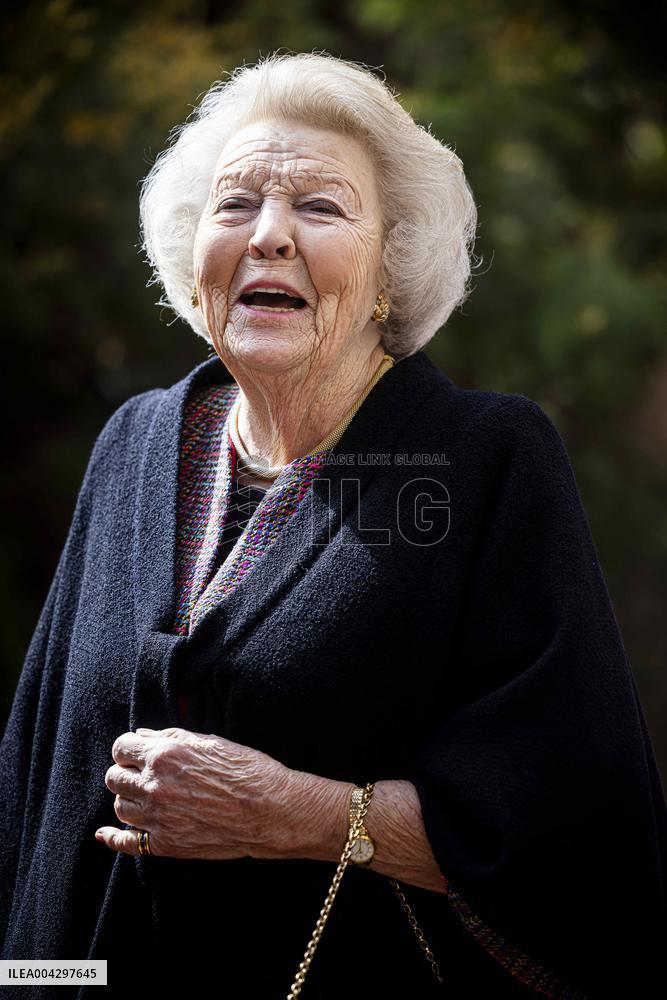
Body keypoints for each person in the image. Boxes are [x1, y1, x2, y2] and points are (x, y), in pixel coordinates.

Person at [1, 50, 665, 1000]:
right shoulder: (135, 443)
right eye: (235, 206)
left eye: (319, 208)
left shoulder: (484, 459)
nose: (268, 235)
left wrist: (299, 815)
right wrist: (27, 977)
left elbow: (575, 826)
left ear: (390, 268)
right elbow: (33, 782)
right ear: (195, 257)